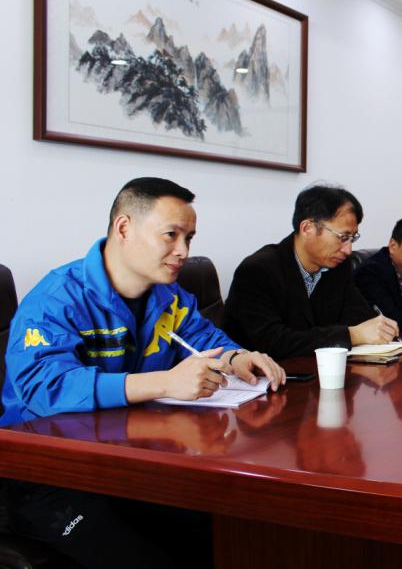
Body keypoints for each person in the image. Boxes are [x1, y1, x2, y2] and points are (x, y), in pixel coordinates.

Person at [1, 177, 285, 569]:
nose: (183, 251)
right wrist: (165, 382)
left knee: (232, 529)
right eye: (171, 235)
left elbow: (203, 338)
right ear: (124, 228)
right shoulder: (57, 299)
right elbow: (45, 388)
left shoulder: (170, 297)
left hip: (132, 460)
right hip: (50, 475)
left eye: (189, 238)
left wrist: (237, 357)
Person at [224, 185, 399, 359]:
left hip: (317, 369)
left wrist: (381, 328)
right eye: (343, 237)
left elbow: (360, 317)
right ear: (307, 228)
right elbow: (273, 342)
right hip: (261, 373)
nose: (348, 250)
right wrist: (352, 335)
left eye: (352, 238)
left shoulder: (338, 267)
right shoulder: (257, 271)